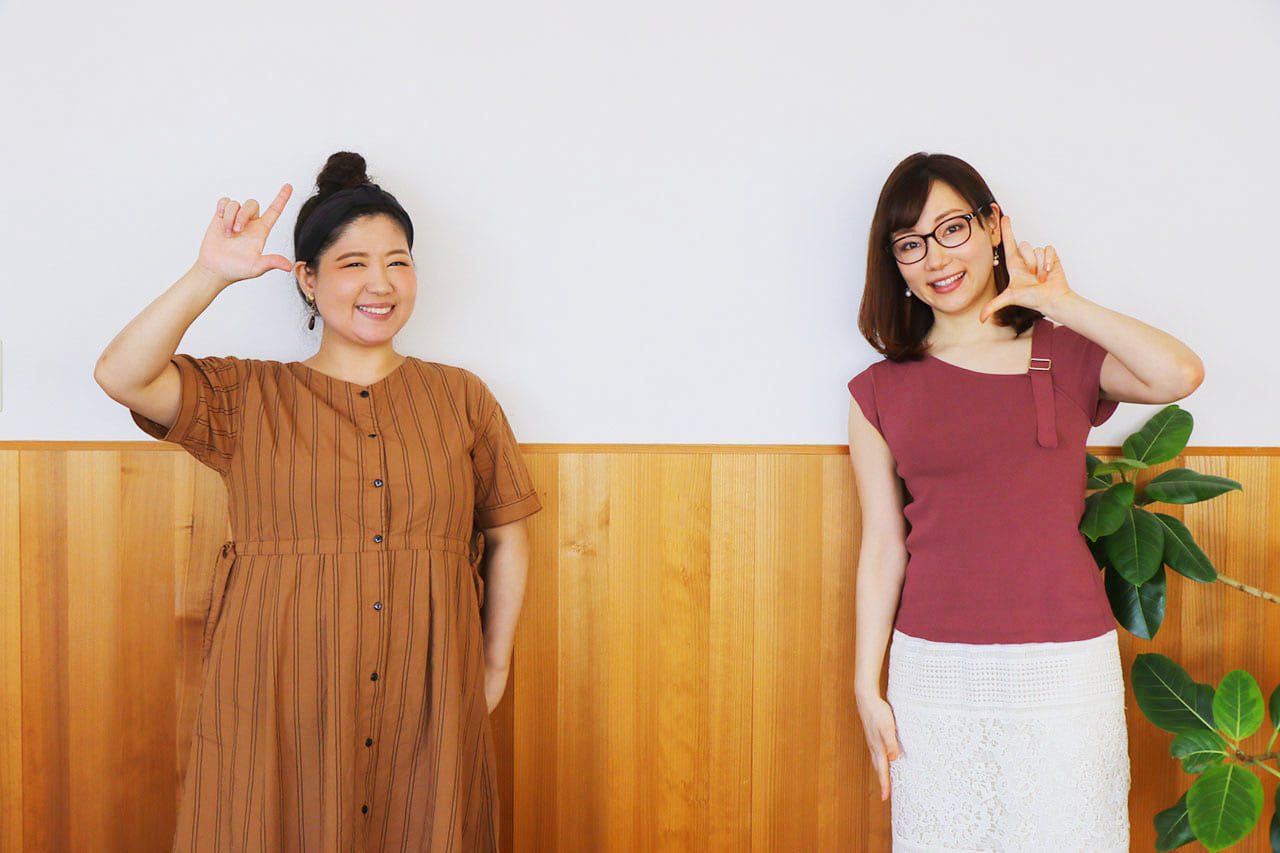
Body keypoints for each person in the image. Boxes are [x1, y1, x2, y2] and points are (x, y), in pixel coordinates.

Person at [94, 151, 541, 851]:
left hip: (425, 700)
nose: (380, 283)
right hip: (278, 695)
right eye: (354, 263)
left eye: (398, 262)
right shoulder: (248, 396)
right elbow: (121, 375)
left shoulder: (461, 397)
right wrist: (211, 274)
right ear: (307, 278)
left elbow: (509, 533)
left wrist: (493, 663)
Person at [845, 152, 1203, 852]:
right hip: (934, 671)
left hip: (1065, 665)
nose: (935, 257)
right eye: (910, 243)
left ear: (993, 227)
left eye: (952, 228)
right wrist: (866, 683)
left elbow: (1179, 373)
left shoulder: (1065, 353)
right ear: (895, 264)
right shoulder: (877, 392)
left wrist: (1059, 302)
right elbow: (883, 545)